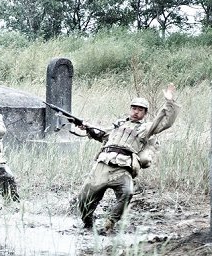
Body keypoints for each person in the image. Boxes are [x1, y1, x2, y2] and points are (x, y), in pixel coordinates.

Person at [70, 84, 180, 234]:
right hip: (103, 164)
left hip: (122, 168)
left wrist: (170, 102)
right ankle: (88, 223)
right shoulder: (118, 125)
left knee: (127, 192)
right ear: (130, 109)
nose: (136, 112)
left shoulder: (146, 128)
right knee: (84, 198)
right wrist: (87, 127)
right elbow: (100, 134)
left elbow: (164, 122)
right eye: (134, 108)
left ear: (145, 113)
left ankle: (110, 222)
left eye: (140, 110)